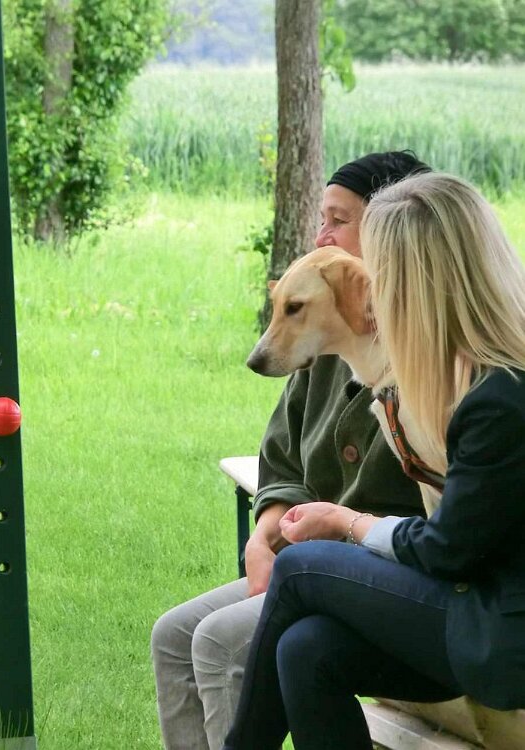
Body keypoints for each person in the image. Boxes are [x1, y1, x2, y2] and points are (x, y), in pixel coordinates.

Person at [222, 171, 525, 750]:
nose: (371, 294)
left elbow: (448, 550)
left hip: (502, 635)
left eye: (379, 276)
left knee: (300, 566)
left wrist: (347, 523)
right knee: (305, 649)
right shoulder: (471, 373)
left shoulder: (501, 395)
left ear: (422, 282)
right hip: (473, 612)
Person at [150, 152, 430, 750]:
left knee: (219, 643)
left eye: (339, 220)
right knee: (172, 636)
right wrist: (264, 538)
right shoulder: (321, 345)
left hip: (382, 573)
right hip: (310, 560)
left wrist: (334, 536)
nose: (322, 237)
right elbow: (281, 460)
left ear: (394, 229)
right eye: (321, 220)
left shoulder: (430, 358)